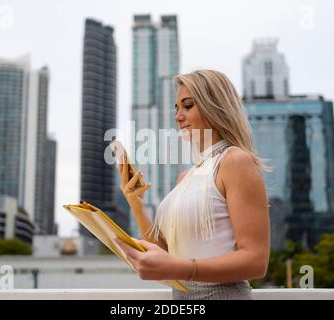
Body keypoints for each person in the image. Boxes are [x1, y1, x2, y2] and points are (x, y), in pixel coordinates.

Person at [115, 70, 270, 300]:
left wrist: (181, 268)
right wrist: (136, 204)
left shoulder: (234, 161)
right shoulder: (185, 177)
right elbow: (169, 255)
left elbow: (256, 261)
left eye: (188, 106)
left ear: (214, 107)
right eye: (177, 108)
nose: (178, 116)